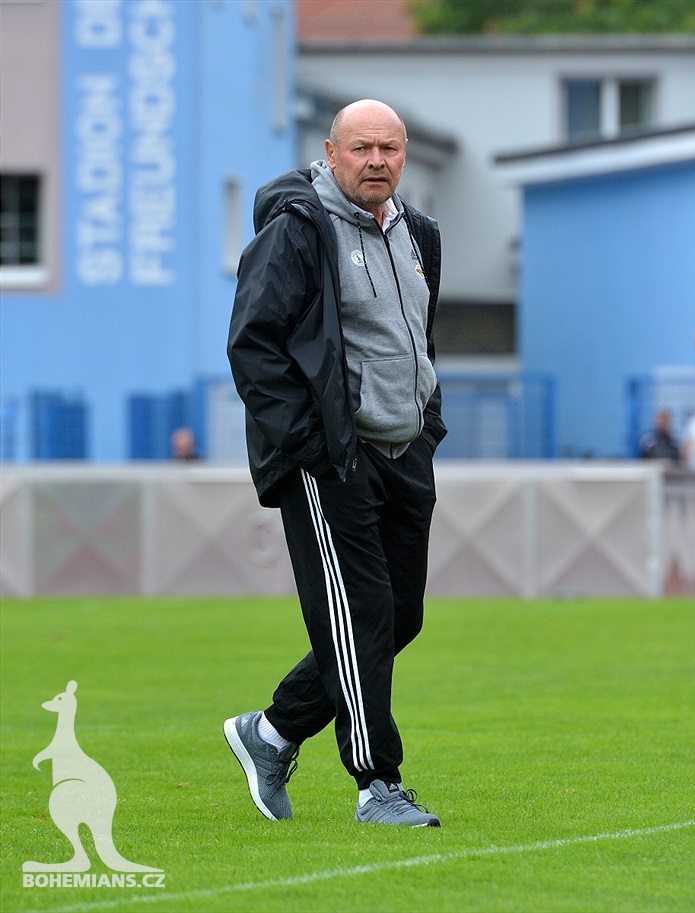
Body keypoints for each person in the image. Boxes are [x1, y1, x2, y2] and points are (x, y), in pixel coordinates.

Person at [224, 99, 447, 827]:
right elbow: (253, 344)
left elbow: (416, 339)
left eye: (389, 147)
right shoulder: (298, 230)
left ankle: (274, 730)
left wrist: (426, 423)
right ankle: (377, 783)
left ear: (404, 153)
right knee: (359, 613)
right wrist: (312, 445)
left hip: (403, 451)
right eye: (362, 148)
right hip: (333, 457)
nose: (377, 160)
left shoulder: (418, 235)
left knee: (398, 616)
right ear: (331, 151)